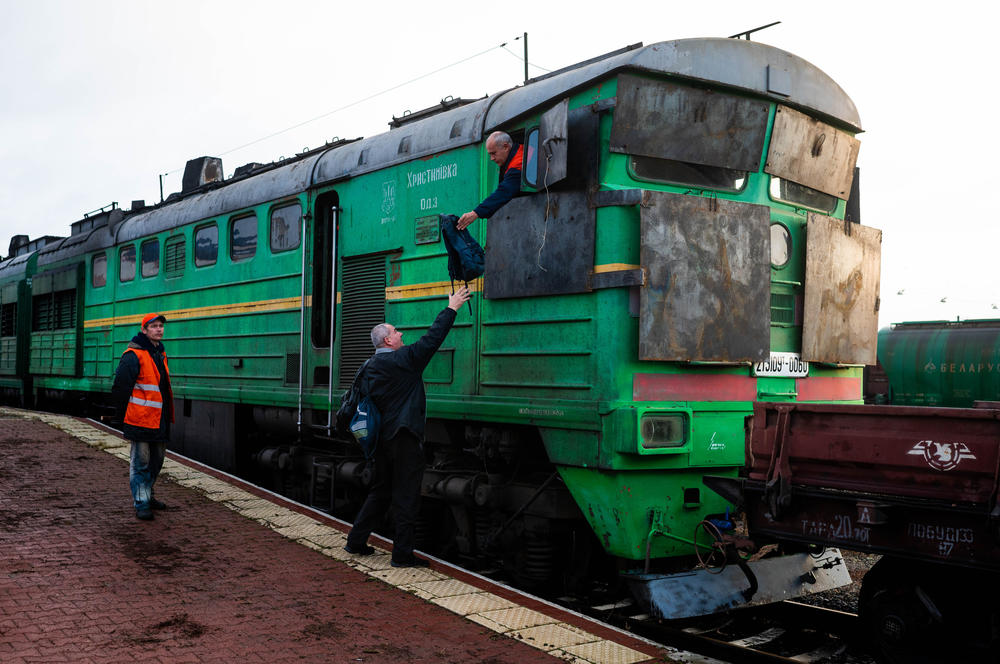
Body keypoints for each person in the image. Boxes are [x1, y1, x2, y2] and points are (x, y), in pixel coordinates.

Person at [345, 286, 471, 567]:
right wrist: (452, 307)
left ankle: (355, 541)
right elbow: (432, 339)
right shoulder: (405, 361)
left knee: (380, 491)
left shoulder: (368, 367)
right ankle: (402, 555)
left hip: (379, 441)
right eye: (397, 331)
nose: (401, 334)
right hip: (403, 439)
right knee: (406, 497)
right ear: (388, 340)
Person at [111, 313, 174, 521]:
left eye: (161, 326)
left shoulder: (159, 353)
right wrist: (123, 418)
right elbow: (120, 387)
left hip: (158, 419)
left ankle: (148, 494)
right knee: (141, 463)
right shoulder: (133, 355)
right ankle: (141, 503)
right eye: (154, 326)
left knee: (157, 461)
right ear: (144, 330)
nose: (159, 329)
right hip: (140, 419)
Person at [456, 131, 523, 230]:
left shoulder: (518, 163)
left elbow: (504, 191)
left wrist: (476, 213)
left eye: (493, 153)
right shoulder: (522, 150)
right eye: (490, 154)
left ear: (506, 147)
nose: (491, 158)